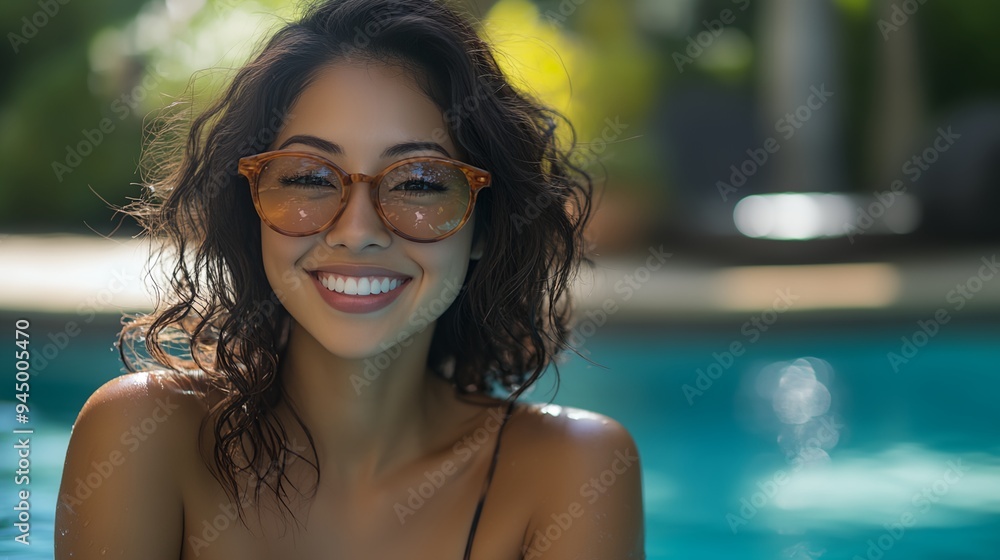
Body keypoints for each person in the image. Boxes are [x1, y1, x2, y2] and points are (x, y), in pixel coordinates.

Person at [54, 0, 645, 558]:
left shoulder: (574, 468)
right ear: (251, 205)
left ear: (486, 226)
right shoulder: (142, 439)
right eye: (309, 177)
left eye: (417, 182)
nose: (355, 230)